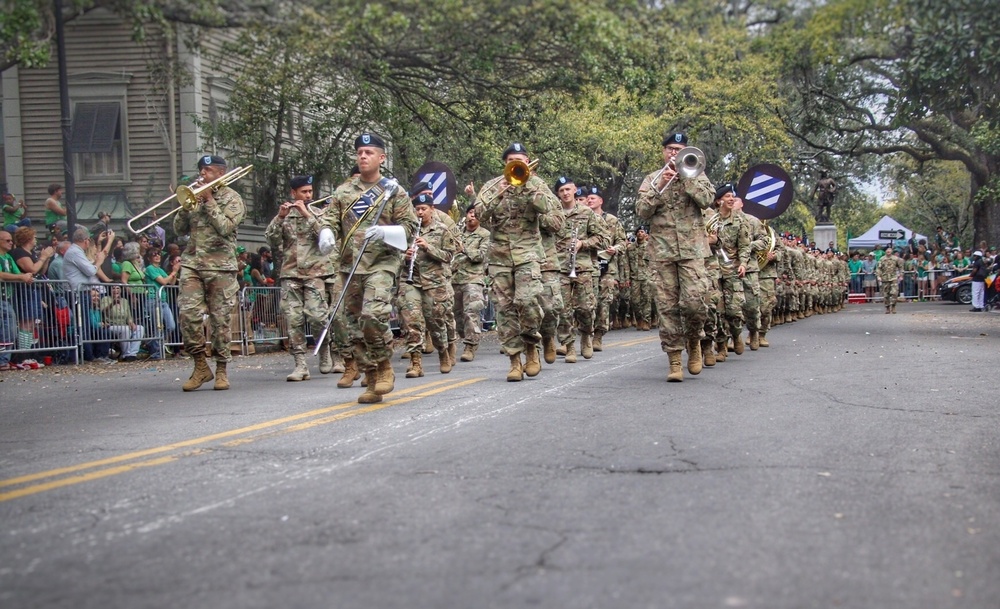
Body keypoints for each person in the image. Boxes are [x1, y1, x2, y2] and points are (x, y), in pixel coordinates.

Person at [321, 132, 416, 403]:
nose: (363, 156)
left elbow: (409, 228)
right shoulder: (343, 191)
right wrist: (326, 232)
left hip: (381, 263)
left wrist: (386, 232)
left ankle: (384, 366)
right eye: (360, 152)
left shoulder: (393, 192)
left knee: (372, 315)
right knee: (346, 324)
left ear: (381, 158)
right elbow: (328, 218)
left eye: (369, 152)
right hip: (350, 265)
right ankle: (371, 375)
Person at [473, 142, 563, 382]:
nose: (517, 164)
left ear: (528, 161)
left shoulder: (537, 184)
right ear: (505, 163)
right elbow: (478, 215)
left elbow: (555, 219)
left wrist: (529, 188)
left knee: (528, 301)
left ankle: (532, 347)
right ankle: (514, 360)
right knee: (505, 310)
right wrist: (500, 191)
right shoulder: (492, 186)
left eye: (521, 160)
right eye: (512, 160)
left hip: (528, 255)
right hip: (499, 258)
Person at [635, 132, 714, 382]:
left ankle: (694, 340)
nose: (673, 153)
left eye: (678, 149)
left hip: (692, 252)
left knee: (695, 303)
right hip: (662, 253)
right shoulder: (652, 179)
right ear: (663, 152)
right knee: (667, 307)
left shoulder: (697, 175)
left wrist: (686, 179)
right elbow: (642, 211)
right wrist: (659, 188)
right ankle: (674, 359)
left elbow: (707, 200)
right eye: (669, 149)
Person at [174, 154, 247, 391]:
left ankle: (222, 369)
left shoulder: (232, 199)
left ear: (221, 173)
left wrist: (209, 202)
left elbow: (226, 228)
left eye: (208, 171)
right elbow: (178, 229)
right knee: (188, 315)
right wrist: (186, 206)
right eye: (202, 171)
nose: (203, 175)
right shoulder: (194, 197)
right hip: (193, 263)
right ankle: (200, 365)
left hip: (221, 267)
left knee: (220, 321)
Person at [265, 174, 337, 381]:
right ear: (293, 193)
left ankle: (324, 350)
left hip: (315, 273)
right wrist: (279, 217)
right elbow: (271, 239)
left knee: (317, 316)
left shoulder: (318, 213)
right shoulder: (284, 216)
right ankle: (300, 364)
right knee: (293, 319)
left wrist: (307, 215)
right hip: (291, 273)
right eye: (303, 192)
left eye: (310, 192)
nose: (307, 195)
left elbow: (326, 237)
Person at [399, 194, 458, 377]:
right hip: (411, 281)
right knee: (412, 321)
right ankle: (415, 363)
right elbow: (393, 256)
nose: (420, 212)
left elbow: (449, 256)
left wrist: (428, 248)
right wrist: (405, 257)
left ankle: (443, 352)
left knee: (436, 321)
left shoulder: (442, 230)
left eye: (424, 209)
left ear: (432, 209)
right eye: (417, 209)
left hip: (434, 283)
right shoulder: (408, 231)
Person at [554, 179, 605, 362]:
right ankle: (569, 347)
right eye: (561, 190)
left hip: (582, 266)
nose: (565, 193)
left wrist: (583, 243)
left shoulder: (586, 212)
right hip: (560, 267)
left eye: (568, 189)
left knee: (585, 307)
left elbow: (601, 238)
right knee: (563, 310)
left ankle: (586, 335)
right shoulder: (554, 214)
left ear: (575, 190)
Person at [586, 185, 625, 352]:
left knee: (604, 301)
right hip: (588, 264)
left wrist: (615, 248)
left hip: (607, 267)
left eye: (592, 198)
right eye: (587, 198)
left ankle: (598, 335)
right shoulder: (582, 218)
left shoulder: (612, 221)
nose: (589, 200)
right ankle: (585, 333)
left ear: (600, 201)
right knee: (588, 301)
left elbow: (623, 242)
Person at [451, 204, 491, 362]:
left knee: (471, 312)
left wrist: (464, 249)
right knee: (457, 316)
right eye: (469, 213)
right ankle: (465, 337)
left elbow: (481, 255)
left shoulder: (485, 235)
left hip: (473, 279)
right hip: (455, 278)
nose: (472, 216)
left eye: (475, 214)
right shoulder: (458, 233)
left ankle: (470, 345)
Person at [0, 230, 34, 370]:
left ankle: (4, 360)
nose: (11, 242)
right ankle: (2, 360)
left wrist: (24, 276)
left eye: (11, 240)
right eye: (7, 240)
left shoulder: (8, 257)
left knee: (10, 329)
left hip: (6, 298)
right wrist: (21, 277)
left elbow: (18, 273)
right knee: (8, 328)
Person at [101, 285, 143, 361]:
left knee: (140, 328)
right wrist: (112, 304)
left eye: (117, 288)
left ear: (120, 290)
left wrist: (131, 322)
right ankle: (126, 354)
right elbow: (103, 311)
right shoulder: (106, 299)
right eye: (113, 288)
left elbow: (129, 316)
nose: (115, 290)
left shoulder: (125, 301)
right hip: (111, 325)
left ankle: (132, 354)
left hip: (124, 324)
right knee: (125, 329)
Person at [876, 247, 903, 313]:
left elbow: (901, 267)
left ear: (891, 251)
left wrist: (901, 275)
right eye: (887, 250)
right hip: (885, 278)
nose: (888, 251)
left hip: (893, 278)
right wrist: (878, 276)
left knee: (894, 293)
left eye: (889, 250)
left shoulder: (896, 259)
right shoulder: (882, 259)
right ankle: (887, 307)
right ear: (885, 251)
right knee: (886, 294)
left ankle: (893, 306)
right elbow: (878, 268)